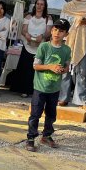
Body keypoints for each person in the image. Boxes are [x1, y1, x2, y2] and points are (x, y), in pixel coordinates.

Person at [24, 19, 72, 152]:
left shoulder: (66, 50)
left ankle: (47, 135)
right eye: (55, 29)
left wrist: (63, 69)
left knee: (51, 114)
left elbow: (67, 67)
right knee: (35, 114)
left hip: (55, 88)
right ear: (51, 30)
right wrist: (50, 67)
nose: (57, 33)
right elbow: (35, 66)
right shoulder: (44, 46)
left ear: (66, 34)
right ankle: (31, 138)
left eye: (61, 31)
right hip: (40, 88)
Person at [10, 0, 53, 98]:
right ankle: (23, 89)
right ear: (35, 5)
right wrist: (26, 35)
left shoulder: (48, 18)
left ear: (45, 6)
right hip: (27, 45)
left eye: (42, 4)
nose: (39, 6)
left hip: (40, 47)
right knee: (25, 68)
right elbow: (23, 30)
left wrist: (42, 36)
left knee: (37, 69)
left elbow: (48, 32)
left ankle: (36, 90)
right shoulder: (29, 16)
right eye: (38, 4)